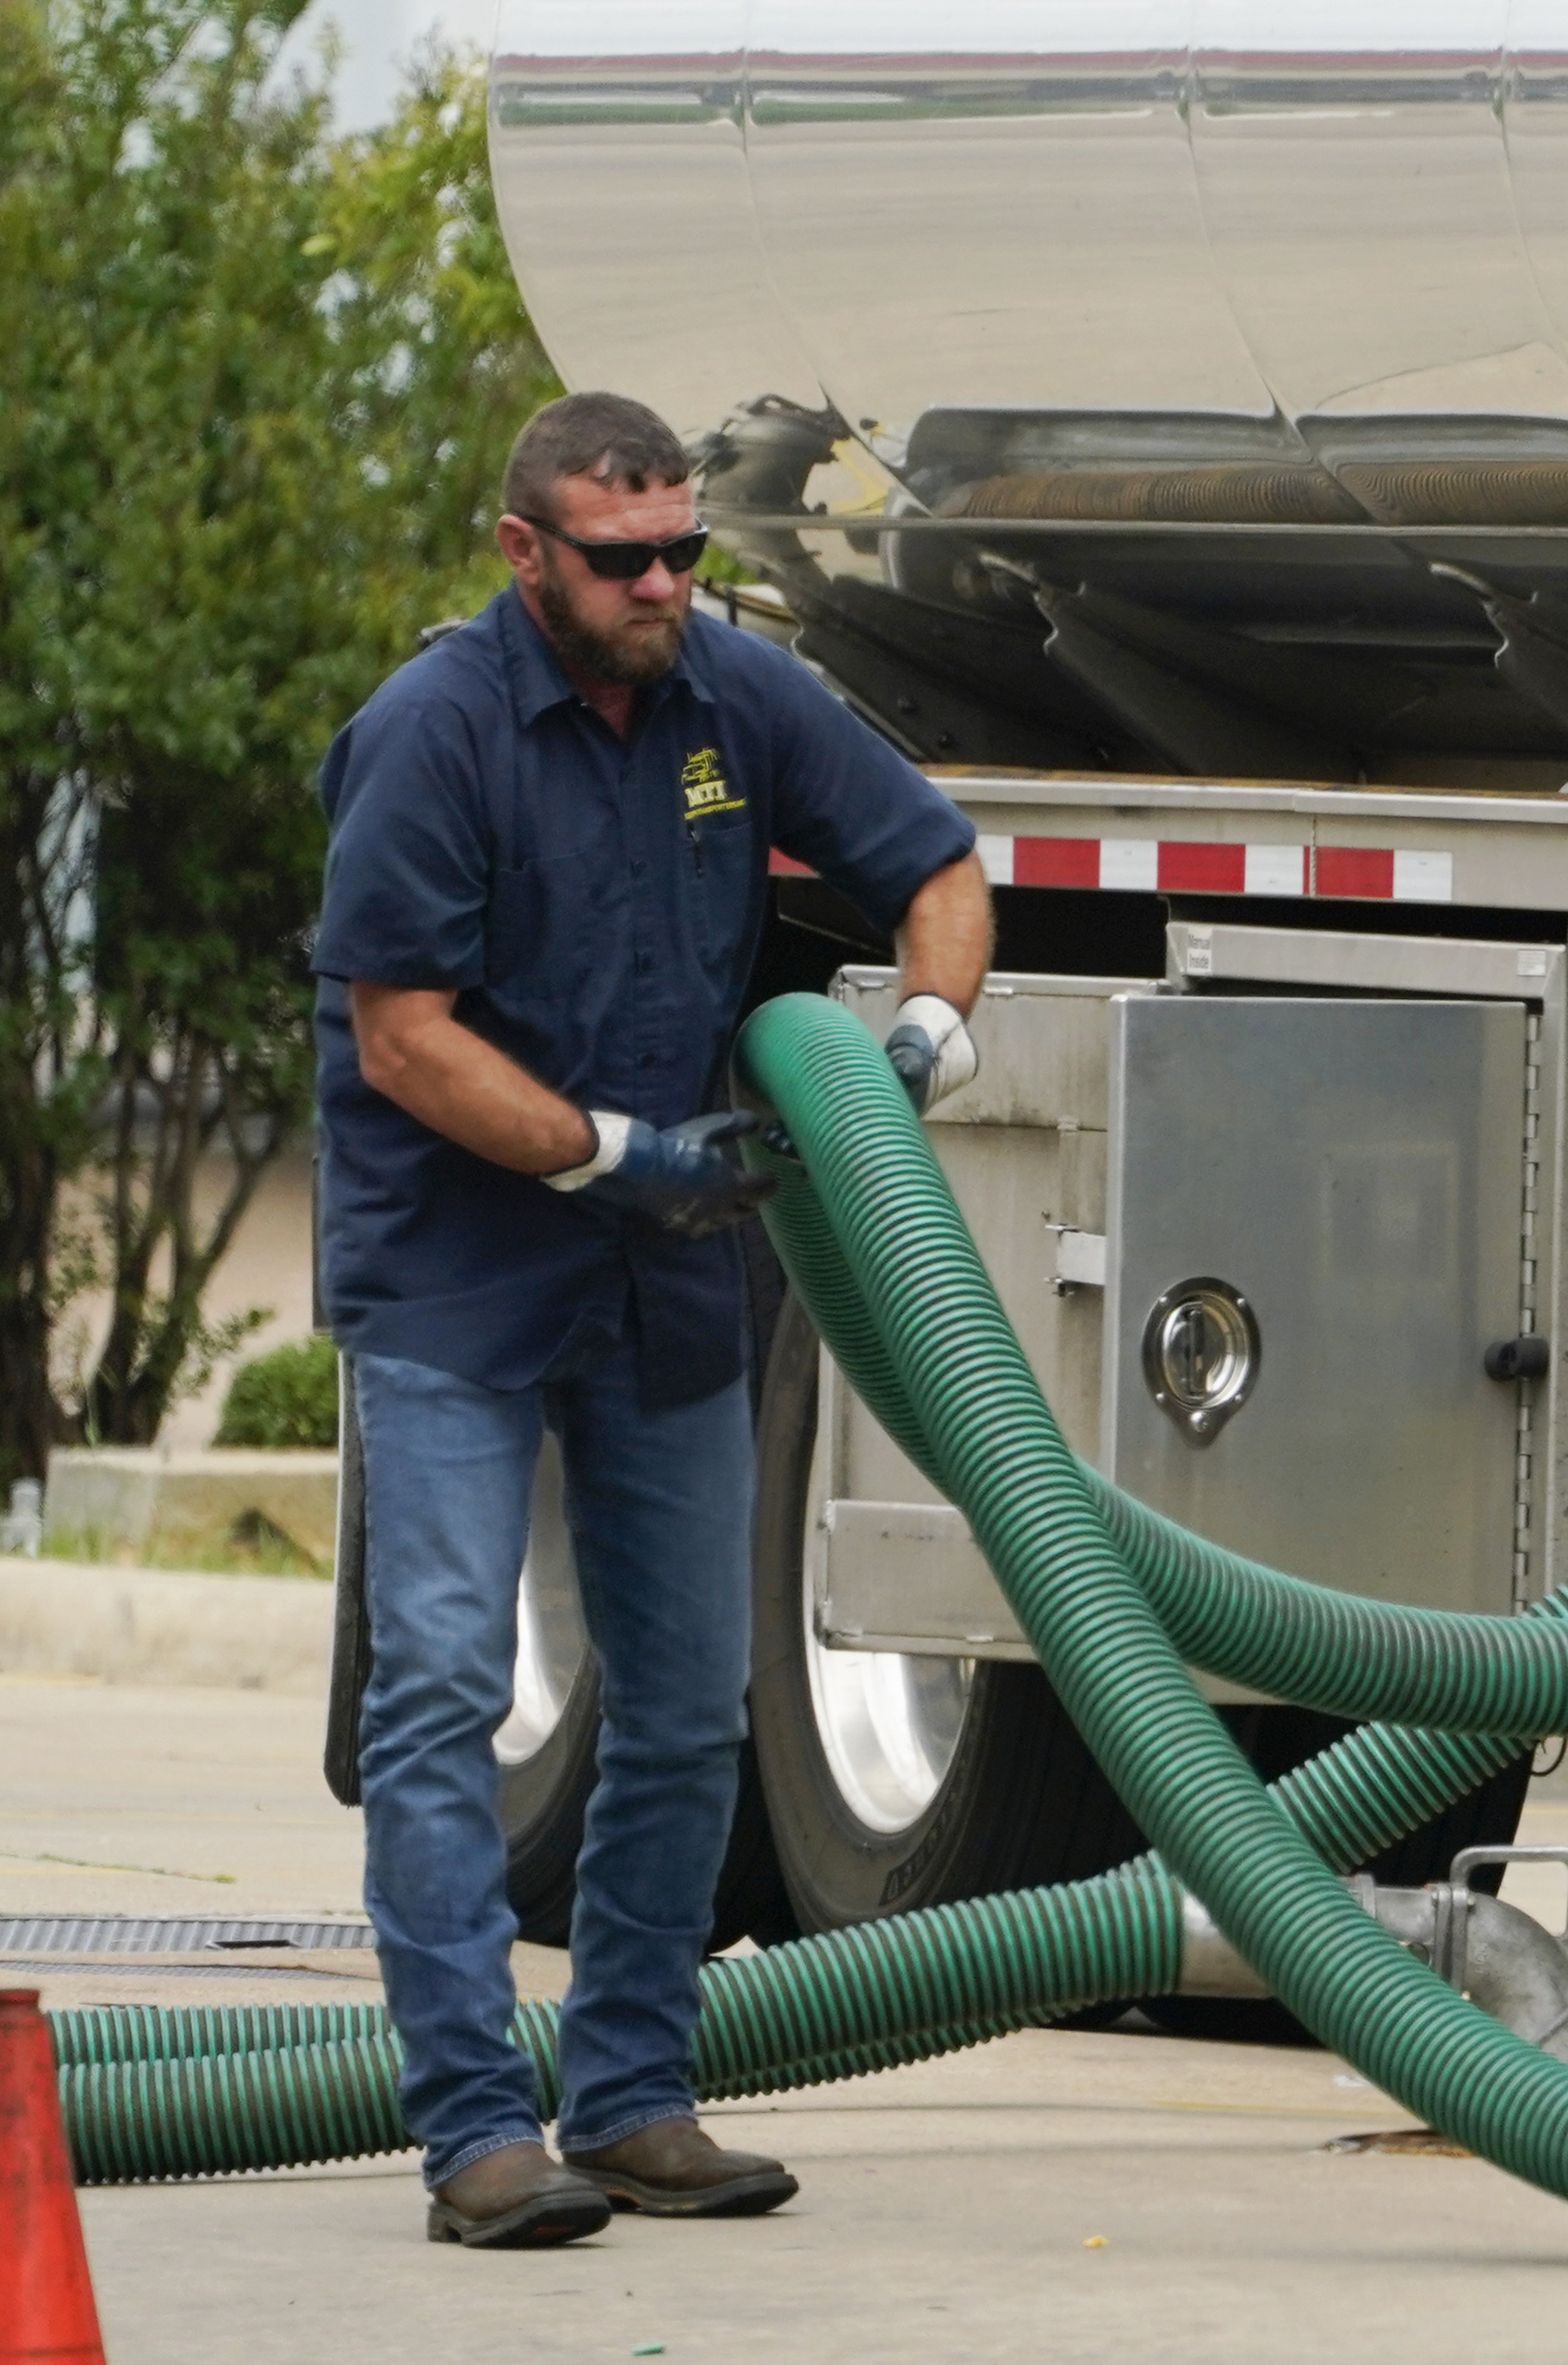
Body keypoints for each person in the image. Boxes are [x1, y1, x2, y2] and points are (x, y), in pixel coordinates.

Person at [313, 391, 991, 2248]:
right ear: (525, 551)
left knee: (692, 1702)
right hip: (459, 1279)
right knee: (445, 1688)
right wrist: (610, 1148)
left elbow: (938, 868)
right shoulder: (434, 734)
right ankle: (472, 2127)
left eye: (688, 548)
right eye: (625, 557)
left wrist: (921, 1038)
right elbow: (401, 1034)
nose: (664, 585)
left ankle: (626, 2097)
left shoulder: (731, 698)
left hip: (665, 1270)